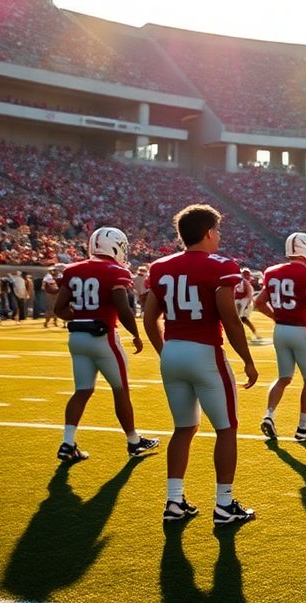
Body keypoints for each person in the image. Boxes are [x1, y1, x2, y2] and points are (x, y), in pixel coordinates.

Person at [143, 205, 259, 526]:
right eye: (217, 231)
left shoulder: (161, 266)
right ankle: (224, 505)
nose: (218, 236)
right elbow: (230, 319)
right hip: (205, 351)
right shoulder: (221, 266)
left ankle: (174, 501)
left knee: (183, 428)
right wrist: (248, 360)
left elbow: (149, 318)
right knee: (226, 428)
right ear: (208, 232)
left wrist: (165, 350)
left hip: (173, 351)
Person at [52, 227, 159, 461]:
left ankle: (67, 442)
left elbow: (59, 309)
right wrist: (136, 334)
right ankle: (133, 441)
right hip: (104, 337)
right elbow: (123, 309)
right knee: (120, 390)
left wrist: (82, 316)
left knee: (82, 390)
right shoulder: (116, 271)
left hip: (77, 336)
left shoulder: (72, 270)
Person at [254, 232, 306, 442]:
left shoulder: (272, 272)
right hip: (301, 331)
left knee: (283, 377)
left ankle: (269, 415)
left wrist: (276, 316)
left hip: (280, 331)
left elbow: (258, 302)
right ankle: (303, 428)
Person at [235, 268, 262, 343]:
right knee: (241, 319)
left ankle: (251, 334)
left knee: (241, 319)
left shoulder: (244, 282)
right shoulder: (243, 282)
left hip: (243, 301)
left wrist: (246, 304)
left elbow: (249, 295)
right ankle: (254, 334)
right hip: (241, 302)